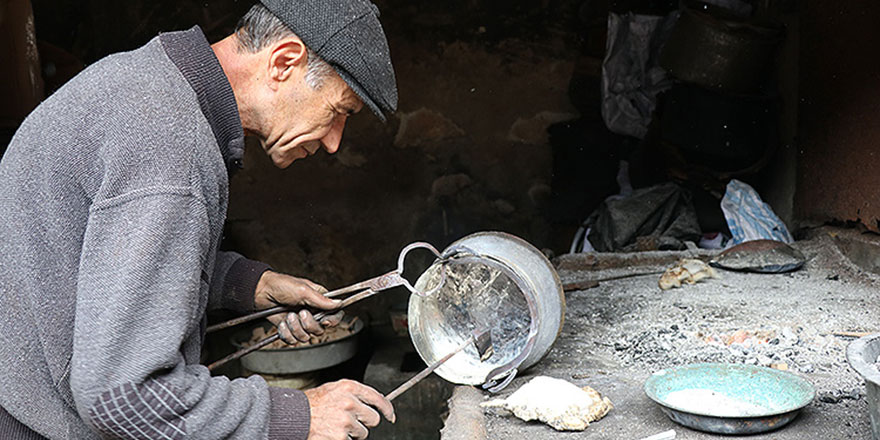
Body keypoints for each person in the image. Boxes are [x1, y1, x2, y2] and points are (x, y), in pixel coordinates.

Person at [0, 0, 399, 439]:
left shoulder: (144, 82)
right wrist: (299, 416)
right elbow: (124, 395)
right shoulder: (172, 146)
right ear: (284, 62)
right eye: (339, 111)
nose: (334, 142)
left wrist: (249, 285)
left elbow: (89, 255)